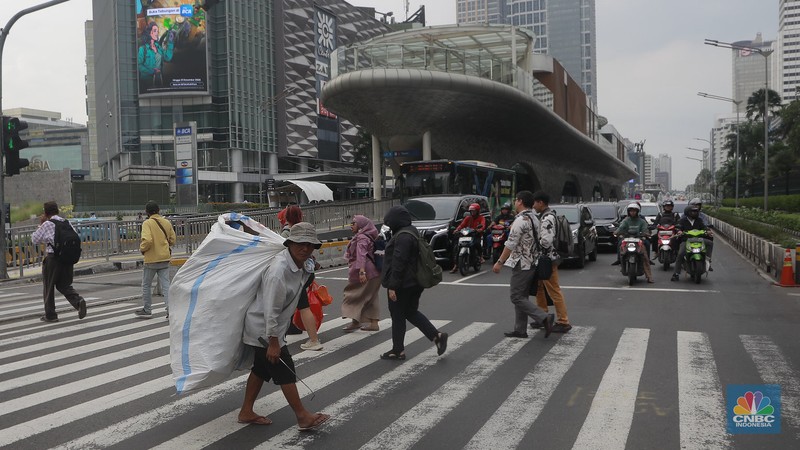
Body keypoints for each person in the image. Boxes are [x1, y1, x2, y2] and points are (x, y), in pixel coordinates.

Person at [239, 222, 330, 430]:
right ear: (290, 243)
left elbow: (303, 281)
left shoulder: (301, 264)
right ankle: (302, 416)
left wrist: (310, 268)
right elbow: (270, 310)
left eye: (309, 245)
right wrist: (273, 342)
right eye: (300, 243)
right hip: (263, 329)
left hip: (273, 327)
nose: (305, 249)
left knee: (261, 369)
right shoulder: (278, 271)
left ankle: (246, 411)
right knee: (284, 369)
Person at [381, 205, 448, 360]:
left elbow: (399, 262)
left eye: (390, 222)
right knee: (410, 312)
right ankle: (437, 336)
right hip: (414, 282)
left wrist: (392, 286)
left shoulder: (402, 237)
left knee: (397, 315)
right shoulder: (411, 231)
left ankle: (398, 350)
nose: (389, 225)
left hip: (402, 284)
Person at [491, 191, 553, 338]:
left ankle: (544, 317)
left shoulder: (520, 220)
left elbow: (510, 243)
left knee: (516, 296)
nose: (514, 203)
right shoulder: (535, 218)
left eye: (516, 200)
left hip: (521, 262)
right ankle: (520, 329)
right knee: (522, 295)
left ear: (520, 201)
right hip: (532, 261)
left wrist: (499, 262)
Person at [30, 201, 87, 323]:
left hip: (53, 259)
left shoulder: (47, 224)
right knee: (64, 285)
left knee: (49, 287)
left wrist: (41, 224)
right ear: (57, 210)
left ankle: (51, 315)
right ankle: (78, 301)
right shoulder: (66, 222)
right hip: (67, 257)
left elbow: (34, 239)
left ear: (46, 213)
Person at [279, 205, 323, 350]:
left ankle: (313, 339)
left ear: (286, 217)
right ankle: (310, 337)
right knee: (302, 305)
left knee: (302, 306)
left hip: (297, 272)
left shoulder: (288, 232)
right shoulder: (305, 228)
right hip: (307, 271)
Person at [530, 191, 572, 333]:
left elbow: (546, 241)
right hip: (546, 259)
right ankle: (542, 316)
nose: (533, 206)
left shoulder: (547, 218)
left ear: (540, 203)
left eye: (535, 203)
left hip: (547, 259)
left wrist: (535, 245)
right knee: (540, 288)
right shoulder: (548, 215)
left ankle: (563, 321)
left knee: (553, 290)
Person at [136, 201, 176, 319]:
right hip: (164, 258)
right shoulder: (166, 222)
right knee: (166, 285)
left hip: (151, 259)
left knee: (146, 285)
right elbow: (173, 240)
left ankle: (147, 309)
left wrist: (142, 249)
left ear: (146, 212)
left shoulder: (147, 223)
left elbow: (147, 240)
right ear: (158, 210)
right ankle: (170, 310)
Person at [341, 215, 381, 332]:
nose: (351, 226)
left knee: (353, 294)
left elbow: (361, 255)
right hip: (374, 272)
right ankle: (372, 323)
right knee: (371, 297)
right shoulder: (367, 235)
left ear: (361, 225)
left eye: (354, 223)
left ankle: (355, 320)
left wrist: (362, 272)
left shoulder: (362, 238)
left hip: (367, 272)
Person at [612, 203, 654, 283]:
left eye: (634, 211)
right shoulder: (626, 220)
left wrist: (646, 234)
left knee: (646, 250)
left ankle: (649, 276)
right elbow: (621, 228)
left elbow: (645, 229)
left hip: (639, 240)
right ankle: (619, 260)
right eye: (631, 211)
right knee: (620, 243)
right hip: (627, 239)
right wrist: (616, 232)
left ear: (637, 212)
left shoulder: (642, 221)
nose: (633, 212)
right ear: (628, 212)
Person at [671, 206, 713, 281]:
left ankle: (708, 260)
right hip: (686, 240)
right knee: (680, 254)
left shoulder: (699, 220)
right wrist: (679, 231)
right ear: (688, 212)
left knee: (710, 243)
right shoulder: (683, 220)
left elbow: (704, 227)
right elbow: (679, 227)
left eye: (696, 211)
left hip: (699, 239)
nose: (695, 213)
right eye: (693, 212)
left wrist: (708, 231)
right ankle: (676, 273)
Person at [449, 202, 486, 273]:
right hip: (466, 235)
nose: (473, 212)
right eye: (471, 211)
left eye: (474, 211)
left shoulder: (481, 218)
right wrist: (457, 230)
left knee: (477, 244)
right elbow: (461, 225)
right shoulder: (468, 218)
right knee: (457, 247)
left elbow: (483, 225)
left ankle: (480, 257)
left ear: (477, 211)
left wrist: (480, 229)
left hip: (475, 235)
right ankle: (456, 265)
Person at [137, 22, 174, 88]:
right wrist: (151, 71)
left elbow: (167, 58)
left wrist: (170, 42)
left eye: (157, 31)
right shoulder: (142, 49)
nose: (157, 33)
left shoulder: (158, 47)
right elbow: (139, 65)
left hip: (159, 79)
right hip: (146, 82)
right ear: (149, 32)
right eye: (154, 31)